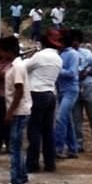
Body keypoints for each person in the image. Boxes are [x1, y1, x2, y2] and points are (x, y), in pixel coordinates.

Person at [0, 36, 32, 184]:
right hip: (19, 111)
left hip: (18, 112)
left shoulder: (17, 67)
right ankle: (23, 179)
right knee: (18, 148)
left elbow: (19, 90)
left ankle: (16, 183)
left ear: (8, 51)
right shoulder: (14, 66)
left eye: (1, 50)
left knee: (15, 148)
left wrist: (9, 112)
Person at [25, 31, 63, 173]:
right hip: (50, 93)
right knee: (48, 131)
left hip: (37, 93)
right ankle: (50, 163)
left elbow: (25, 68)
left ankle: (33, 163)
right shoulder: (58, 58)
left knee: (34, 130)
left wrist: (28, 58)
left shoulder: (40, 56)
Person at [70, 31, 92, 153]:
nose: (73, 43)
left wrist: (87, 73)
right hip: (74, 87)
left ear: (79, 41)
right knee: (76, 117)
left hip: (87, 86)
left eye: (75, 40)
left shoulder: (87, 53)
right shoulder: (67, 54)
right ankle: (79, 143)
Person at [54, 30, 80, 159]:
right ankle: (73, 148)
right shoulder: (61, 53)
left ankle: (58, 147)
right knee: (67, 119)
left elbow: (72, 73)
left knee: (60, 118)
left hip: (70, 90)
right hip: (62, 89)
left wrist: (57, 70)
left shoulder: (73, 54)